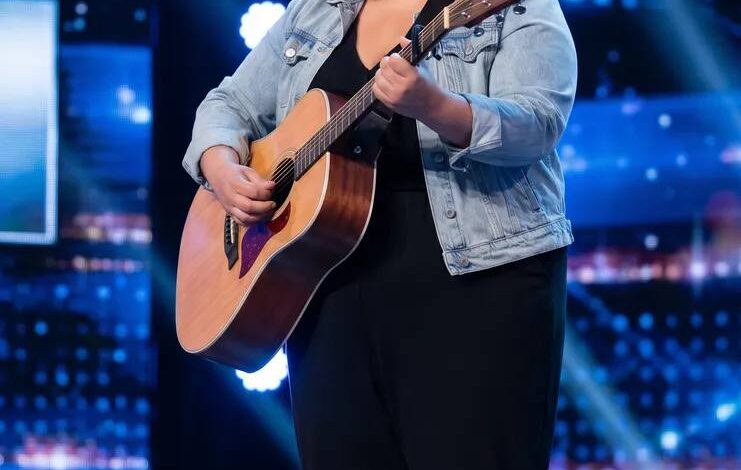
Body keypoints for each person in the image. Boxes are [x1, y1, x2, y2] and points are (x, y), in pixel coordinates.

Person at [182, 0, 577, 468]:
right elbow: (229, 104)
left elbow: (539, 121)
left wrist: (435, 106)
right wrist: (221, 165)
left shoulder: (508, 8)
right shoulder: (317, 9)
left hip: (478, 281)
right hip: (324, 287)